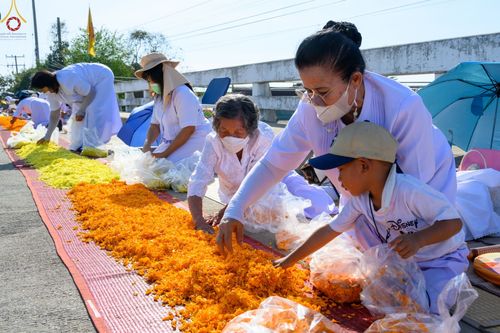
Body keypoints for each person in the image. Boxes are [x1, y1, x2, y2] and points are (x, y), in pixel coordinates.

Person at [216, 21, 457, 254]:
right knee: (363, 259)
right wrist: (235, 209)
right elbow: (274, 164)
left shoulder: (402, 106)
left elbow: (411, 191)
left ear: (355, 80)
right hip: (359, 203)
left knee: (421, 253)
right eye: (308, 91)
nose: (314, 101)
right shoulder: (309, 109)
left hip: (418, 196)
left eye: (322, 92)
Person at [274, 122, 467, 314]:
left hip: (441, 259)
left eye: (341, 170)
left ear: (364, 166)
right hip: (407, 263)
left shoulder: (409, 191)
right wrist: (289, 261)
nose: (338, 179)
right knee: (384, 300)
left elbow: (453, 222)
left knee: (426, 309)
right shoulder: (360, 200)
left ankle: (449, 292)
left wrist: (418, 239)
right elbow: (329, 230)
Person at [187, 94, 335, 233]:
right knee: (254, 215)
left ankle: (331, 189)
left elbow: (259, 181)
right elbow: (198, 180)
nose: (230, 137)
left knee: (316, 205)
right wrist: (199, 220)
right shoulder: (213, 142)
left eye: (238, 132)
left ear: (250, 128)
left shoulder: (263, 136)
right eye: (223, 130)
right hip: (233, 194)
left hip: (274, 181)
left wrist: (226, 211)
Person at [135, 53, 211, 162]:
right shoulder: (159, 97)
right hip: (172, 142)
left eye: (149, 79)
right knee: (148, 164)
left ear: (158, 75)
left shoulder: (182, 93)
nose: (150, 84)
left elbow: (189, 129)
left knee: (166, 168)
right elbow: (154, 125)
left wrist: (164, 154)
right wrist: (147, 144)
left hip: (194, 140)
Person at [30, 63, 122, 150]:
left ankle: (95, 145)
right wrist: (47, 136)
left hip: (100, 77)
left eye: (41, 88)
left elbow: (91, 92)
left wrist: (82, 110)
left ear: (47, 83)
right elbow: (55, 114)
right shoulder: (50, 93)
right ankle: (80, 144)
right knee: (77, 118)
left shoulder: (67, 78)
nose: (41, 91)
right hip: (86, 91)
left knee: (93, 111)